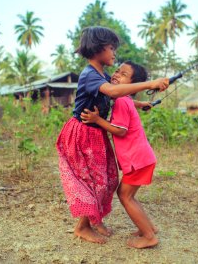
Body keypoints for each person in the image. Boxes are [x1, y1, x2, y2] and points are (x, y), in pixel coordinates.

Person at [56, 26, 168, 244]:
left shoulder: (102, 75)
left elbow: (118, 97)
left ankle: (94, 220)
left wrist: (139, 102)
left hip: (96, 133)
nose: (114, 53)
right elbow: (114, 92)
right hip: (83, 133)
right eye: (111, 48)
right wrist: (150, 84)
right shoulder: (90, 75)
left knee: (105, 181)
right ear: (98, 49)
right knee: (91, 181)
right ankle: (82, 227)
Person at [80, 61, 159, 248]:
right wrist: (142, 104)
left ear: (131, 85)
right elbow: (131, 102)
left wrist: (97, 120)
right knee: (129, 195)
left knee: (125, 196)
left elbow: (120, 130)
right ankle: (148, 229)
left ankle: (149, 236)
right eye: (117, 71)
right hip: (142, 159)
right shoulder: (125, 100)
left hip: (137, 160)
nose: (116, 75)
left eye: (123, 75)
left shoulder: (122, 101)